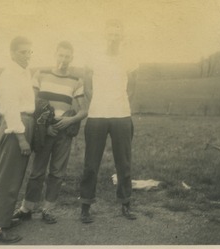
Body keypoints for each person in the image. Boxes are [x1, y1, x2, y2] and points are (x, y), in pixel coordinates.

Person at [12, 41, 88, 224]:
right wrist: (45, 126)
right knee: (37, 171)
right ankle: (26, 208)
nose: (63, 59)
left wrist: (69, 120)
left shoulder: (77, 81)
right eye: (60, 55)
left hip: (64, 132)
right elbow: (32, 102)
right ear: (55, 54)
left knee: (57, 172)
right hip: (43, 130)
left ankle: (48, 210)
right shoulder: (40, 74)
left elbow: (84, 110)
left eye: (67, 56)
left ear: (72, 58)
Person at [79, 19, 137, 223]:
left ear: (121, 37)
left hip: (121, 115)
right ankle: (85, 206)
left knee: (124, 163)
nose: (113, 38)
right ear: (105, 35)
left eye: (117, 34)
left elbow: (133, 86)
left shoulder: (128, 57)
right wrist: (97, 101)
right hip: (97, 116)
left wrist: (121, 103)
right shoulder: (94, 56)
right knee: (91, 164)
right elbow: (86, 85)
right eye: (110, 34)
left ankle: (126, 203)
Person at [0, 36, 35, 243]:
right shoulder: (9, 76)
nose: (27, 56)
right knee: (8, 178)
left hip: (24, 124)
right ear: (12, 53)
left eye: (29, 52)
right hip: (16, 129)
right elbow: (11, 109)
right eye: (23, 52)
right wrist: (22, 138)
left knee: (15, 177)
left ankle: (4, 218)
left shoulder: (24, 73)